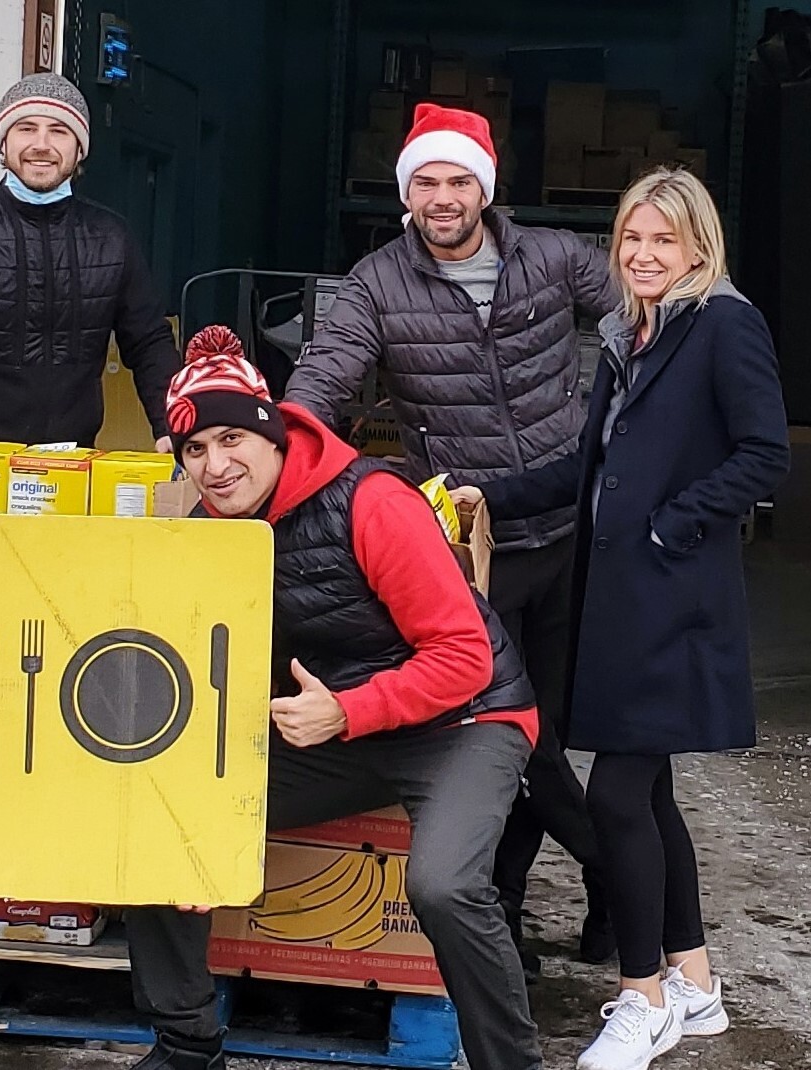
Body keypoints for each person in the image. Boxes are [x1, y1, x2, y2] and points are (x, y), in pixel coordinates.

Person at [124, 325, 541, 1070]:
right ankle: (186, 1044)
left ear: (271, 432)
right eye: (194, 450)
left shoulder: (371, 502)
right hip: (336, 734)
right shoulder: (206, 531)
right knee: (162, 818)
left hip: (463, 719)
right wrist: (197, 836)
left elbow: (463, 657)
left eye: (230, 440)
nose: (215, 467)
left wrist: (348, 710)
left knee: (443, 884)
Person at [452, 168, 790, 1070]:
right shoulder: (623, 333)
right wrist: (489, 488)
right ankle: (697, 984)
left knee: (613, 793)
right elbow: (583, 464)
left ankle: (641, 995)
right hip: (618, 604)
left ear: (697, 247)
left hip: (674, 602)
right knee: (648, 794)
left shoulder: (724, 324)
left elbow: (764, 453)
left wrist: (670, 521)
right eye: (631, 240)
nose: (643, 255)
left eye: (662, 241)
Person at [285, 102, 618, 972]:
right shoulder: (375, 284)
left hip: (575, 526)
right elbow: (326, 371)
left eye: (457, 179)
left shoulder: (550, 256)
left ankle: (535, 902)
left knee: (567, 728)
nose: (441, 196)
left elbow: (641, 320)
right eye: (424, 182)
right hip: (476, 547)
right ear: (405, 193)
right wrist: (278, 446)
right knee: (514, 734)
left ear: (484, 188)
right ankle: (604, 883)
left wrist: (643, 430)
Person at [0, 72, 180, 449]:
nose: (41, 144)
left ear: (80, 149)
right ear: (4, 143)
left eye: (59, 131)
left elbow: (149, 342)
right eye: (26, 128)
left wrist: (170, 427)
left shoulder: (112, 237)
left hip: (77, 457)